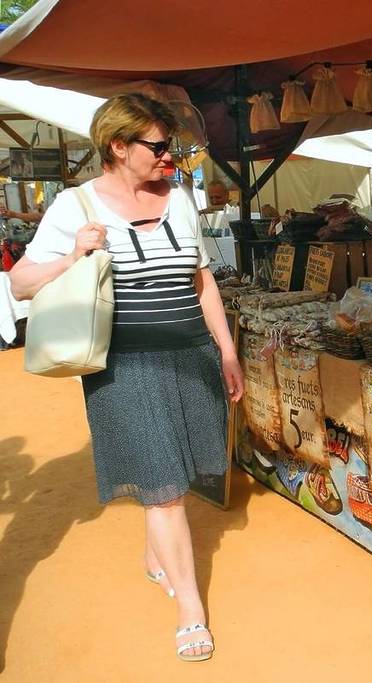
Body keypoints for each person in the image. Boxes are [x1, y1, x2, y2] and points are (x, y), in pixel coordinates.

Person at [9, 93, 244, 662]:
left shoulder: (180, 199)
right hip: (125, 366)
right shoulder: (75, 205)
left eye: (172, 146)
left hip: (191, 355)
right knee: (165, 490)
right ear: (118, 145)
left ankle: (154, 553)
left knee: (175, 473)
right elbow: (20, 283)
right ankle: (190, 608)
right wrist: (74, 255)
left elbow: (202, 280)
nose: (170, 157)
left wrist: (227, 351)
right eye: (159, 146)